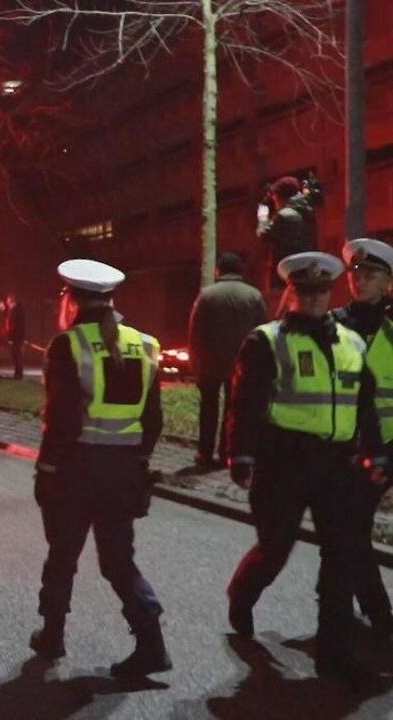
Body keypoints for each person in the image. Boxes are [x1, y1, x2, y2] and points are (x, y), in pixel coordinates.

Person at [225, 251, 385, 683]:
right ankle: (243, 593)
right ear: (291, 293)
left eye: (321, 291)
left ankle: (335, 652)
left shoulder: (351, 341)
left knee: (341, 556)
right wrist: (240, 455)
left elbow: (364, 406)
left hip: (337, 466)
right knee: (275, 549)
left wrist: (377, 452)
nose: (315, 298)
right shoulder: (267, 340)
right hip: (284, 464)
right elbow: (245, 403)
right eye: (306, 290)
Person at [29, 259, 170, 678]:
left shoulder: (68, 345)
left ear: (71, 299)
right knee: (118, 562)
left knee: (63, 557)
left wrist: (47, 469)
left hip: (76, 470)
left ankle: (52, 636)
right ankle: (151, 644)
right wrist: (138, 460)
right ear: (112, 299)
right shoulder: (145, 344)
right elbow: (154, 418)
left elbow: (63, 419)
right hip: (124, 471)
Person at [332, 238, 393, 646]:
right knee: (347, 531)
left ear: (389, 282)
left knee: (350, 531)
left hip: (386, 448)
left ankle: (374, 615)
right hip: (341, 447)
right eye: (356, 272)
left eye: (370, 274)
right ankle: (360, 613)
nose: (361, 280)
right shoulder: (332, 324)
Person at [187, 252, 267, 469]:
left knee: (208, 409)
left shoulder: (207, 295)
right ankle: (227, 453)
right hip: (242, 364)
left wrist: (195, 361)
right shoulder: (254, 295)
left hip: (210, 363)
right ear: (240, 271)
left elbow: (196, 330)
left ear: (218, 271)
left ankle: (204, 453)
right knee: (235, 409)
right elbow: (263, 330)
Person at [258, 176, 319, 295]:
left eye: (275, 199)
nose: (275, 203)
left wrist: (263, 218)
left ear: (281, 197)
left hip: (286, 275)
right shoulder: (308, 212)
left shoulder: (284, 215)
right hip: (307, 273)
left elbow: (265, 235)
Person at [4, 294, 27, 379]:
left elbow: (13, 326)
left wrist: (11, 337)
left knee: (16, 355)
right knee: (16, 355)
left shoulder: (15, 311)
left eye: (8, 301)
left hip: (16, 338)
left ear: (11, 301)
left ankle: (18, 374)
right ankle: (17, 373)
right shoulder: (15, 310)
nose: (7, 303)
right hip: (17, 337)